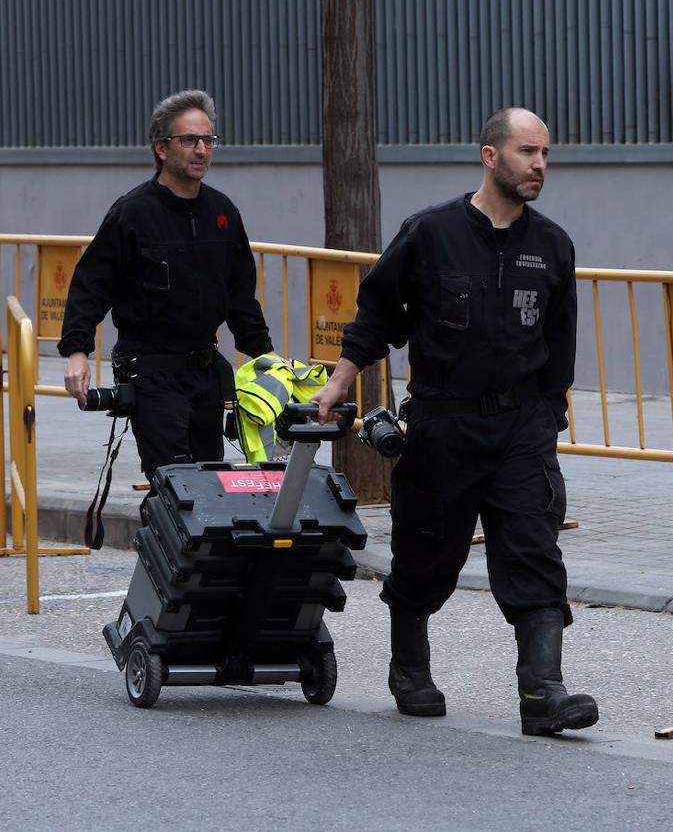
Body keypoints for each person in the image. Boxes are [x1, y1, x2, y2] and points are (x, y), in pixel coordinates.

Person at [312, 107, 598, 736]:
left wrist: (547, 422)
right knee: (426, 555)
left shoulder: (552, 245)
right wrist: (339, 382)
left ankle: (544, 694)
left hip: (521, 429)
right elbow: (377, 315)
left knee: (533, 551)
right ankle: (409, 669)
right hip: (444, 426)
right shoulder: (431, 233)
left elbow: (561, 343)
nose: (541, 166)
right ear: (490, 156)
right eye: (528, 152)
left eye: (546, 154)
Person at [59, 90, 274, 482]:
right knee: (174, 483)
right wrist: (77, 351)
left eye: (208, 140)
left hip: (206, 375)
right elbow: (91, 285)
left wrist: (267, 359)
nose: (201, 150)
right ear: (161, 147)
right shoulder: (133, 213)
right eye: (189, 140)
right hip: (152, 373)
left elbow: (240, 297)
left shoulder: (223, 213)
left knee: (211, 482)